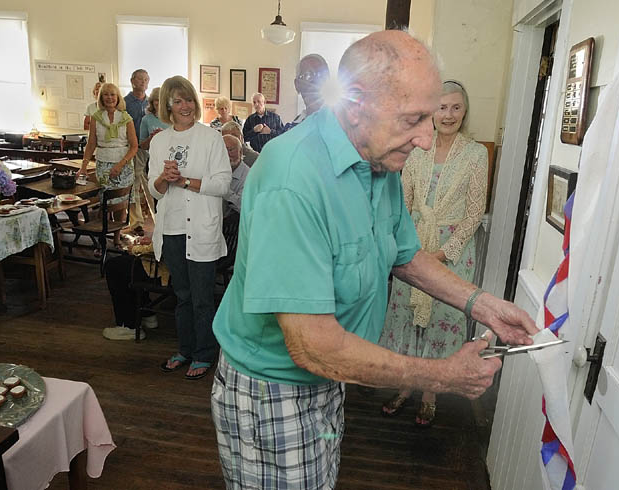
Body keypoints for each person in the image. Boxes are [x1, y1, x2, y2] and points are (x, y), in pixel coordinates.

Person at [211, 30, 538, 489]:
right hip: (275, 392)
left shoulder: (377, 160)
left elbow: (404, 254)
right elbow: (313, 344)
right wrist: (441, 375)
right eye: (414, 119)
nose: (426, 138)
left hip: (329, 378)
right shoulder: (293, 176)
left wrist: (482, 304)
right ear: (358, 102)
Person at [379, 80, 489, 427]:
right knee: (406, 319)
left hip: (452, 252)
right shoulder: (417, 148)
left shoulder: (476, 154)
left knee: (440, 322)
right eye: (442, 107)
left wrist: (443, 253)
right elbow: (403, 201)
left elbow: (475, 213)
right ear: (432, 111)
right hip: (414, 246)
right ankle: (406, 387)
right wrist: (406, 248)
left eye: (456, 107)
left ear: (465, 111)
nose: (449, 114)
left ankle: (431, 395)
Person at [147, 76, 232, 381]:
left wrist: (183, 180)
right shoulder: (159, 141)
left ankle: (205, 353)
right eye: (178, 101)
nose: (185, 106)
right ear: (167, 106)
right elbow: (154, 190)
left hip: (202, 227)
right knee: (181, 295)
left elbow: (223, 184)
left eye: (189, 100)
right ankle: (185, 349)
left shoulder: (210, 138)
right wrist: (163, 179)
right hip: (171, 228)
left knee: (202, 297)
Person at [77, 82, 138, 246]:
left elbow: (134, 146)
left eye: (113, 94)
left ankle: (117, 237)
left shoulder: (126, 118)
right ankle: (102, 239)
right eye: (106, 95)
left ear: (118, 97)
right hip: (103, 163)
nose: (110, 98)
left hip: (123, 165)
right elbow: (91, 144)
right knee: (104, 202)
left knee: (119, 203)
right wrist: (83, 166)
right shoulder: (96, 117)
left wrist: (120, 164)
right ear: (101, 98)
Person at [101, 236, 164, 341]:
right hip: (173, 265)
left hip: (167, 270)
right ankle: (146, 314)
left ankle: (129, 326)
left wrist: (136, 249)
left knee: (114, 267)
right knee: (129, 262)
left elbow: (172, 242)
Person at [124, 69, 150, 235]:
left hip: (147, 148)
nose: (143, 82)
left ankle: (148, 217)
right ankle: (136, 222)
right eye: (140, 79)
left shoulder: (151, 102)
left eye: (146, 79)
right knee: (134, 183)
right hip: (130, 147)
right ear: (132, 81)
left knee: (144, 181)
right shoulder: (124, 102)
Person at [283, 53, 329, 132]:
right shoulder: (291, 130)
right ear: (297, 85)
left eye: (321, 75)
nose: (315, 82)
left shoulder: (346, 126)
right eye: (308, 75)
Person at [221, 134, 249, 215]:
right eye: (222, 150)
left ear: (240, 152)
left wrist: (222, 189)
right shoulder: (214, 170)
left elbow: (242, 206)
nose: (226, 154)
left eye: (230, 150)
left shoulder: (248, 176)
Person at [138, 87, 169, 152]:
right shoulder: (146, 119)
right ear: (152, 102)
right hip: (153, 158)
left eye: (162, 100)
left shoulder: (174, 118)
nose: (159, 103)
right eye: (157, 100)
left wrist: (164, 135)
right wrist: (151, 138)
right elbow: (142, 146)